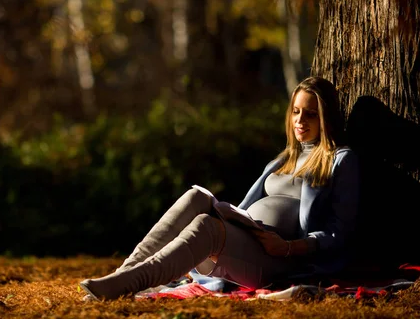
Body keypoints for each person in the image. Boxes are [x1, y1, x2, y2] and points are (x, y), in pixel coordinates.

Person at [79, 76, 360, 301]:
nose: (300, 121)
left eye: (310, 114)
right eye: (296, 112)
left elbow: (341, 232)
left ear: (326, 118)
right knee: (196, 196)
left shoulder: (340, 160)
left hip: (284, 261)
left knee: (207, 227)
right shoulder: (283, 158)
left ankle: (128, 283)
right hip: (252, 236)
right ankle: (123, 274)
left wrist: (288, 247)